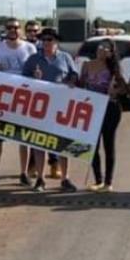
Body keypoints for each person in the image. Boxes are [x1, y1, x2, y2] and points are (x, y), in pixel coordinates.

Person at [20, 27, 80, 193]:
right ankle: (40, 178)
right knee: (39, 143)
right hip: (39, 107)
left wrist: (72, 81)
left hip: (60, 107)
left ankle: (65, 178)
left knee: (62, 143)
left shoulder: (65, 57)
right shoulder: (33, 59)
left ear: (56, 42)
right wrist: (34, 79)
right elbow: (22, 80)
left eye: (49, 39)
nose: (46, 42)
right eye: (43, 40)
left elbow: (74, 75)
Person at [0, 17, 36, 187]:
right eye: (9, 28)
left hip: (24, 98)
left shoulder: (29, 48)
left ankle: (23, 172)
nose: (12, 30)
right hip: (3, 99)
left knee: (24, 138)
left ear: (20, 29)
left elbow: (34, 71)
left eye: (15, 28)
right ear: (5, 30)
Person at [83, 39, 127, 192]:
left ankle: (108, 182)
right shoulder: (87, 65)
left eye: (106, 48)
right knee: (92, 146)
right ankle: (98, 180)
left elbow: (124, 88)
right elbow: (81, 84)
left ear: (111, 53)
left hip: (110, 109)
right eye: (100, 46)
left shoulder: (114, 69)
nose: (101, 49)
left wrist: (115, 91)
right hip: (91, 109)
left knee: (108, 144)